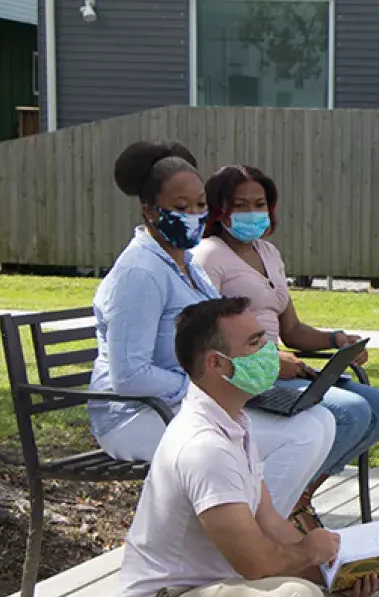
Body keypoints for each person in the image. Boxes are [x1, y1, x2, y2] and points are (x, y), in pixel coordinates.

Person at [109, 297, 379, 597]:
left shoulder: (234, 423)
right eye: (257, 344)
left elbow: (272, 525)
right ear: (218, 363)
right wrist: (311, 553)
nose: (270, 353)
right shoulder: (204, 446)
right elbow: (257, 564)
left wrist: (339, 571)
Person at [88, 140, 334, 517]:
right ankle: (243, 542)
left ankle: (251, 536)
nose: (194, 215)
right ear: (150, 211)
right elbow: (129, 377)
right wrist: (213, 387)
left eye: (200, 205)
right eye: (180, 208)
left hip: (185, 403)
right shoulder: (140, 272)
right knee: (300, 436)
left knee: (319, 419)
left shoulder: (186, 263)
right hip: (136, 416)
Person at [194, 164, 379, 517]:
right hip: (247, 374)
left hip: (283, 368)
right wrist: (270, 359)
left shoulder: (268, 253)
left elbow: (292, 331)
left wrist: (336, 340)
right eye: (240, 205)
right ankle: (275, 509)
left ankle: (299, 496)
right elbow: (209, 336)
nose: (252, 213)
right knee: (350, 412)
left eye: (259, 204)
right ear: (219, 209)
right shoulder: (209, 255)